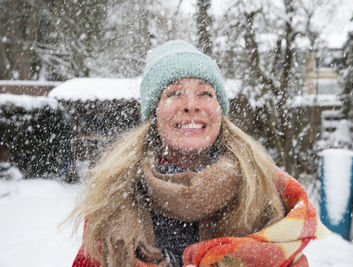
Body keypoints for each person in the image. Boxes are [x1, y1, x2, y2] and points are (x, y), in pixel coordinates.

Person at [68, 40, 330, 267]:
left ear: (220, 110)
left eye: (205, 93)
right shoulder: (113, 201)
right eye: (174, 93)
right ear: (154, 114)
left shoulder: (262, 191)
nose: (191, 106)